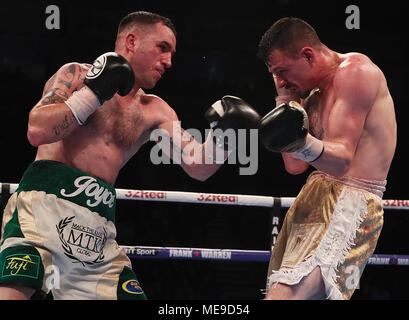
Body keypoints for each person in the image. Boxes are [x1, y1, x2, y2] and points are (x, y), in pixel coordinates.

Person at [0, 11, 260, 300]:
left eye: (172, 53)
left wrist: (222, 137)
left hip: (98, 227)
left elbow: (198, 167)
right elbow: (37, 130)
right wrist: (93, 93)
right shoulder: (77, 75)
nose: (169, 61)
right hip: (42, 208)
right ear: (132, 41)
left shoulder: (155, 110)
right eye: (163, 48)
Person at [257, 17, 396, 300]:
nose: (281, 81)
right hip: (312, 199)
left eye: (282, 71)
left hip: (349, 199)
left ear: (307, 54)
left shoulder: (354, 72)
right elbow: (295, 166)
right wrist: (286, 101)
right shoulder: (309, 93)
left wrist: (300, 138)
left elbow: (342, 158)